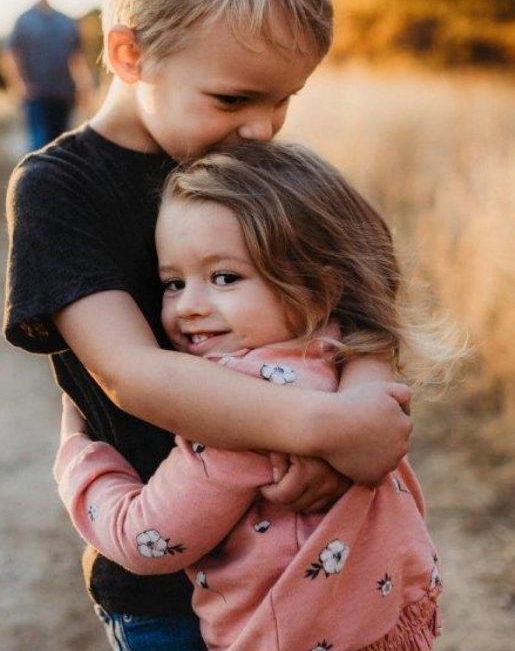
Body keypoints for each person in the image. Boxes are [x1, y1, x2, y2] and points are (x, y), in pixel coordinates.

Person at [4, 0, 412, 649]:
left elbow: (364, 293)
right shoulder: (61, 191)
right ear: (130, 55)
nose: (261, 128)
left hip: (316, 557)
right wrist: (324, 427)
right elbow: (135, 374)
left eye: (284, 100)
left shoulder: (254, 166)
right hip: (166, 585)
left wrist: (361, 412)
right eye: (233, 97)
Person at [54, 142, 450, 651]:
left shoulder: (237, 415)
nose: (190, 307)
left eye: (224, 277)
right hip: (388, 626)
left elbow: (145, 540)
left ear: (316, 287)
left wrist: (76, 454)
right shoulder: (342, 361)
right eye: (172, 283)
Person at [0, 0, 94, 152]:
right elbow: (9, 54)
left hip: (64, 94)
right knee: (39, 148)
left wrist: (85, 87)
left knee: (60, 148)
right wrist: (19, 84)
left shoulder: (65, 21)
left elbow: (77, 58)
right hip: (36, 96)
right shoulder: (24, 20)